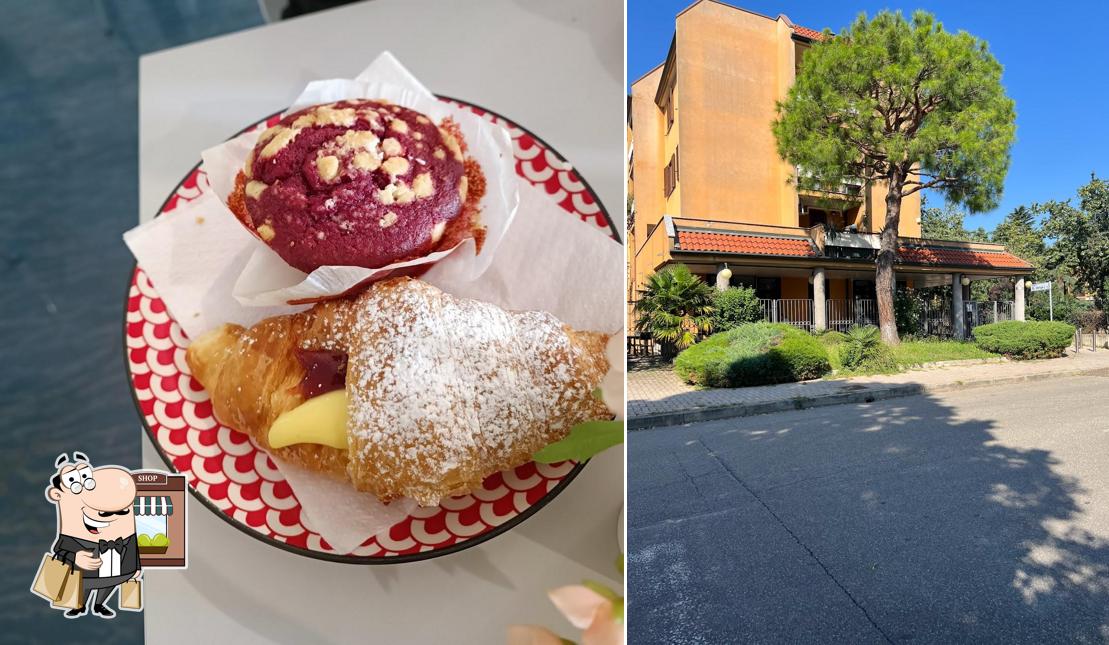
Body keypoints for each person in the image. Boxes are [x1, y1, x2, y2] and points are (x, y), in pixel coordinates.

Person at [45, 453, 141, 618]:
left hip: (117, 571)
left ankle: (99, 604)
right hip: (86, 574)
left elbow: (132, 547)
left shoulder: (127, 535)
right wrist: (75, 558)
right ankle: (80, 605)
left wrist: (136, 567)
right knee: (85, 585)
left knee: (108, 584)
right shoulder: (72, 537)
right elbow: (60, 550)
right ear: (57, 494)